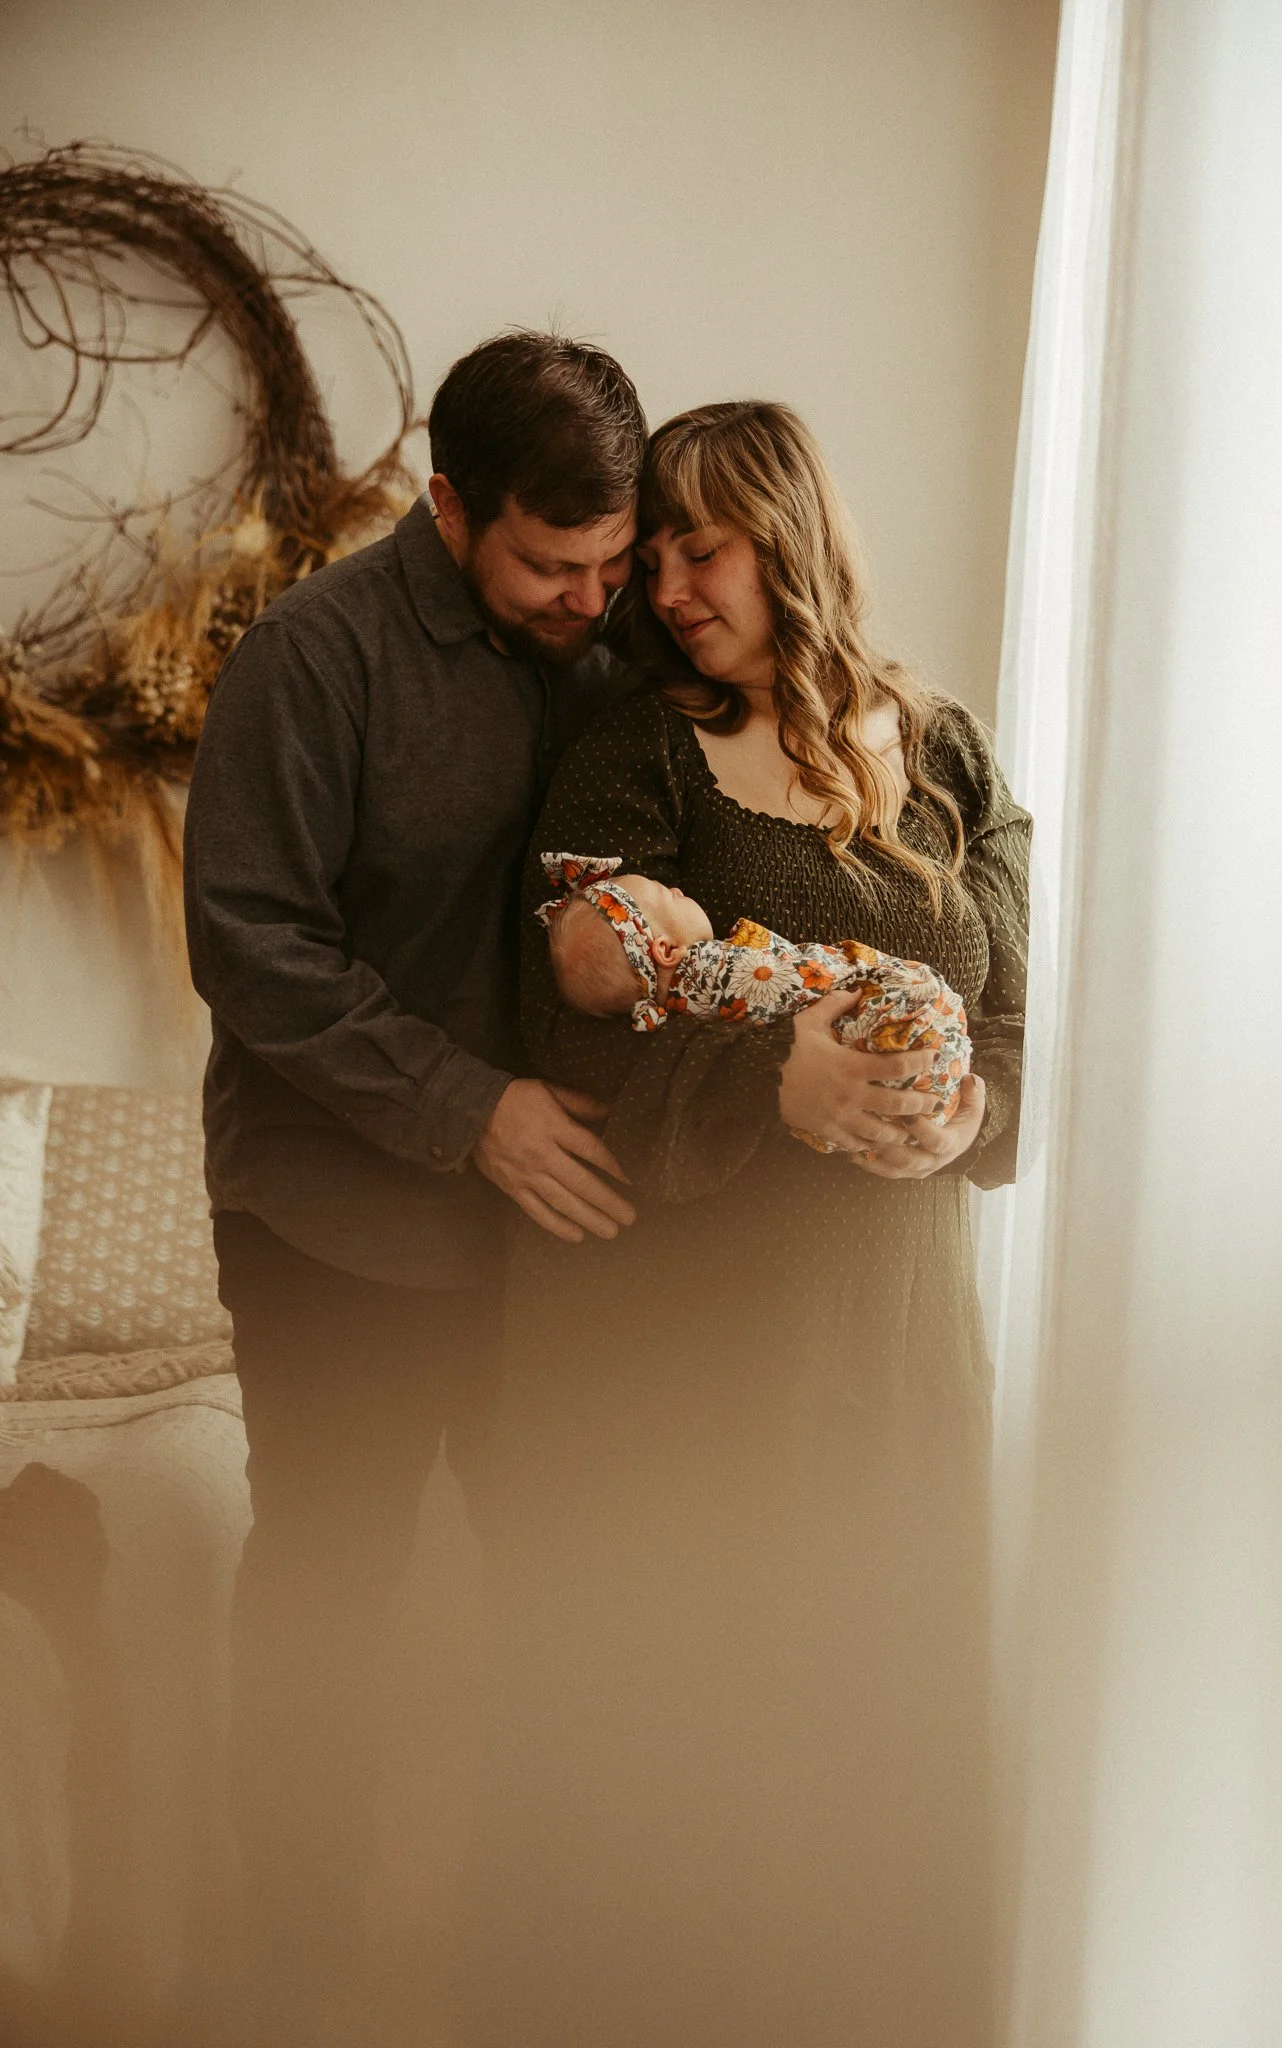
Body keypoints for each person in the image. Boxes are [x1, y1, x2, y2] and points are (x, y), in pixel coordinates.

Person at [462, 400, 1031, 2048]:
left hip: (896, 1318)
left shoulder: (949, 751)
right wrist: (765, 1080)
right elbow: (566, 1000)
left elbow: (1015, 1005)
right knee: (690, 1733)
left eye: (696, 547)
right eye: (649, 558)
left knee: (877, 1705)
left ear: (784, 535)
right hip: (696, 1326)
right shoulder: (633, 744)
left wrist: (971, 1104)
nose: (667, 584)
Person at [182, 330, 650, 2048]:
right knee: (333, 1594)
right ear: (450, 507)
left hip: (553, 1242)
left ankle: (529, 1964)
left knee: (566, 1593)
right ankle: (289, 1981)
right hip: (333, 1224)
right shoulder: (313, 659)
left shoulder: (621, 642)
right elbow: (250, 947)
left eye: (613, 561)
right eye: (550, 562)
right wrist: (473, 1113)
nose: (591, 599)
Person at [535, 851, 972, 1138]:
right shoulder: (710, 970)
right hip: (885, 1054)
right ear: (664, 950)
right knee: (914, 992)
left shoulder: (674, 1013)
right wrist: (855, 967)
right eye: (665, 894)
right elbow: (793, 981)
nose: (678, 889)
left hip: (873, 1119)